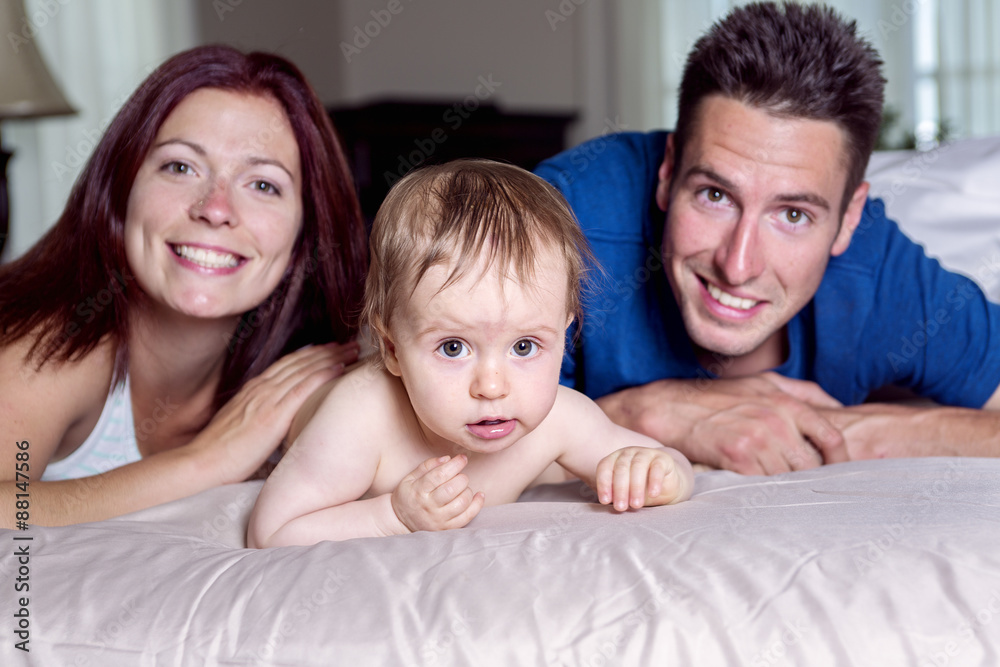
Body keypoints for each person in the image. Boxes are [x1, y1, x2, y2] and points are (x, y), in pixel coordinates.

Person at [534, 2, 1000, 475]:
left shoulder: (875, 269)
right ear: (668, 170)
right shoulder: (563, 220)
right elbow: (460, 449)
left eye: (793, 214)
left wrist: (867, 431)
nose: (737, 266)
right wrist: (641, 414)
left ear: (849, 219)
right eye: (715, 195)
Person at [0, 45, 368, 526]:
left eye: (262, 185)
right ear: (121, 190)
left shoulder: (305, 365)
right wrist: (207, 461)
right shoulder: (58, 339)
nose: (214, 209)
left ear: (306, 233)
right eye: (180, 167)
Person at [247, 160, 694, 547]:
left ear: (564, 334)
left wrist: (657, 474)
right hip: (309, 419)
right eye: (454, 347)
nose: (492, 386)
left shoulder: (562, 417)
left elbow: (673, 464)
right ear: (392, 349)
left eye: (524, 346)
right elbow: (272, 531)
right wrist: (394, 516)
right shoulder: (361, 419)